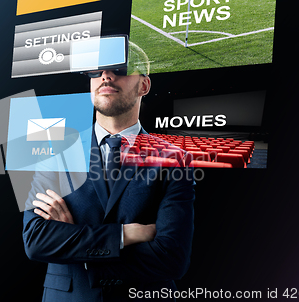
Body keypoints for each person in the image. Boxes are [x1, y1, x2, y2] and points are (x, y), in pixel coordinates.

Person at [22, 42, 195, 301]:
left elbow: (172, 259)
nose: (106, 76)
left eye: (120, 68)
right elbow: (36, 240)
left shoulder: (174, 158)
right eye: (96, 71)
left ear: (144, 86)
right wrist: (124, 235)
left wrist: (77, 247)